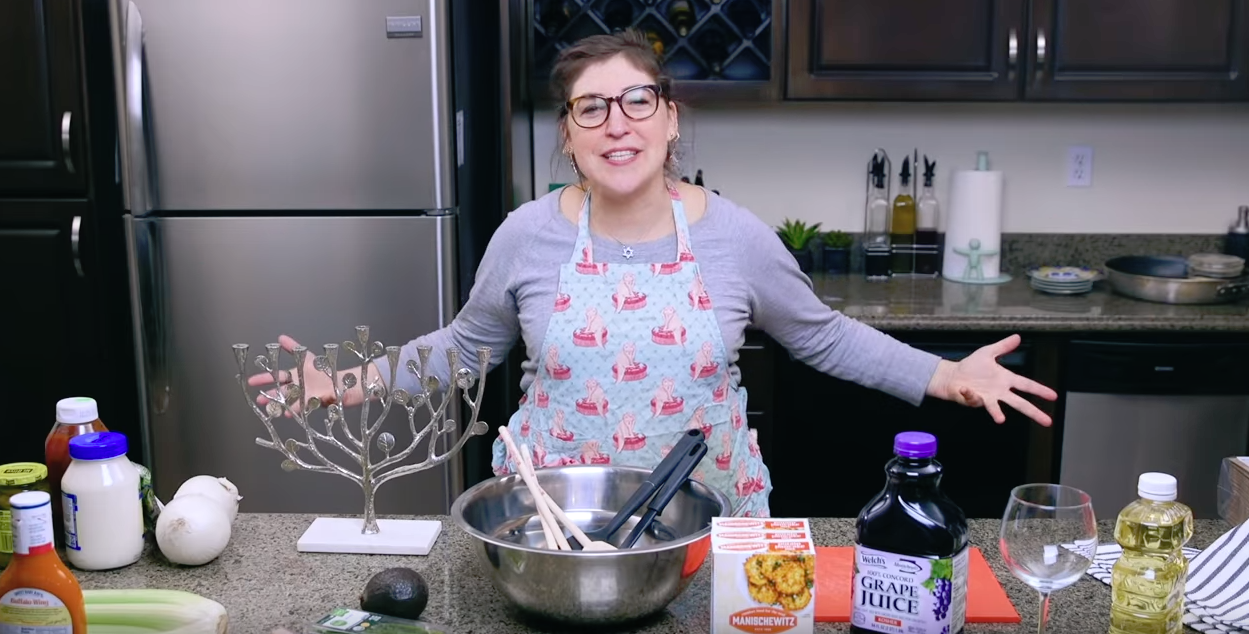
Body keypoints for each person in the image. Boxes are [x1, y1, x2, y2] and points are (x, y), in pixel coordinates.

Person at [249, 29, 1056, 518]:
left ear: (670, 119)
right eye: (590, 107)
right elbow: (467, 350)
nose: (617, 124)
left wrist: (944, 374)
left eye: (636, 102)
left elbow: (824, 337)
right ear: (569, 134)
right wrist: (343, 384)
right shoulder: (527, 235)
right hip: (555, 519)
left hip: (706, 512)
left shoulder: (735, 236)